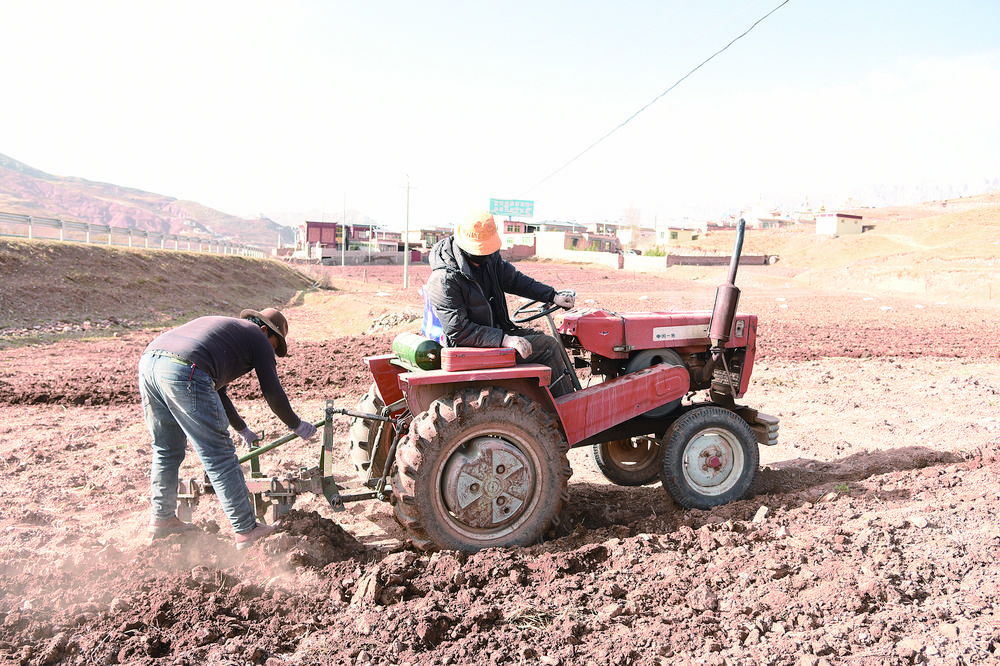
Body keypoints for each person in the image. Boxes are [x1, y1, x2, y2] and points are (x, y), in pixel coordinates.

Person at [138, 307, 317, 550]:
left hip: (150, 363)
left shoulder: (227, 334)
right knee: (219, 455)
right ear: (265, 330)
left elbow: (217, 391)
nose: (271, 351)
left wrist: (242, 429)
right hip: (185, 368)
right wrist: (296, 424)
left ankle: (162, 518)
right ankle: (247, 529)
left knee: (166, 449)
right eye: (274, 346)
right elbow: (272, 391)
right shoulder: (257, 336)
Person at [425, 211, 577, 397]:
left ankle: (541, 401)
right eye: (480, 252)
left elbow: (515, 281)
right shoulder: (444, 279)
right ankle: (567, 406)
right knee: (548, 347)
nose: (485, 256)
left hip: (493, 334)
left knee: (539, 338)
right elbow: (459, 331)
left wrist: (551, 295)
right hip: (468, 347)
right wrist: (504, 340)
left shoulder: (490, 260)